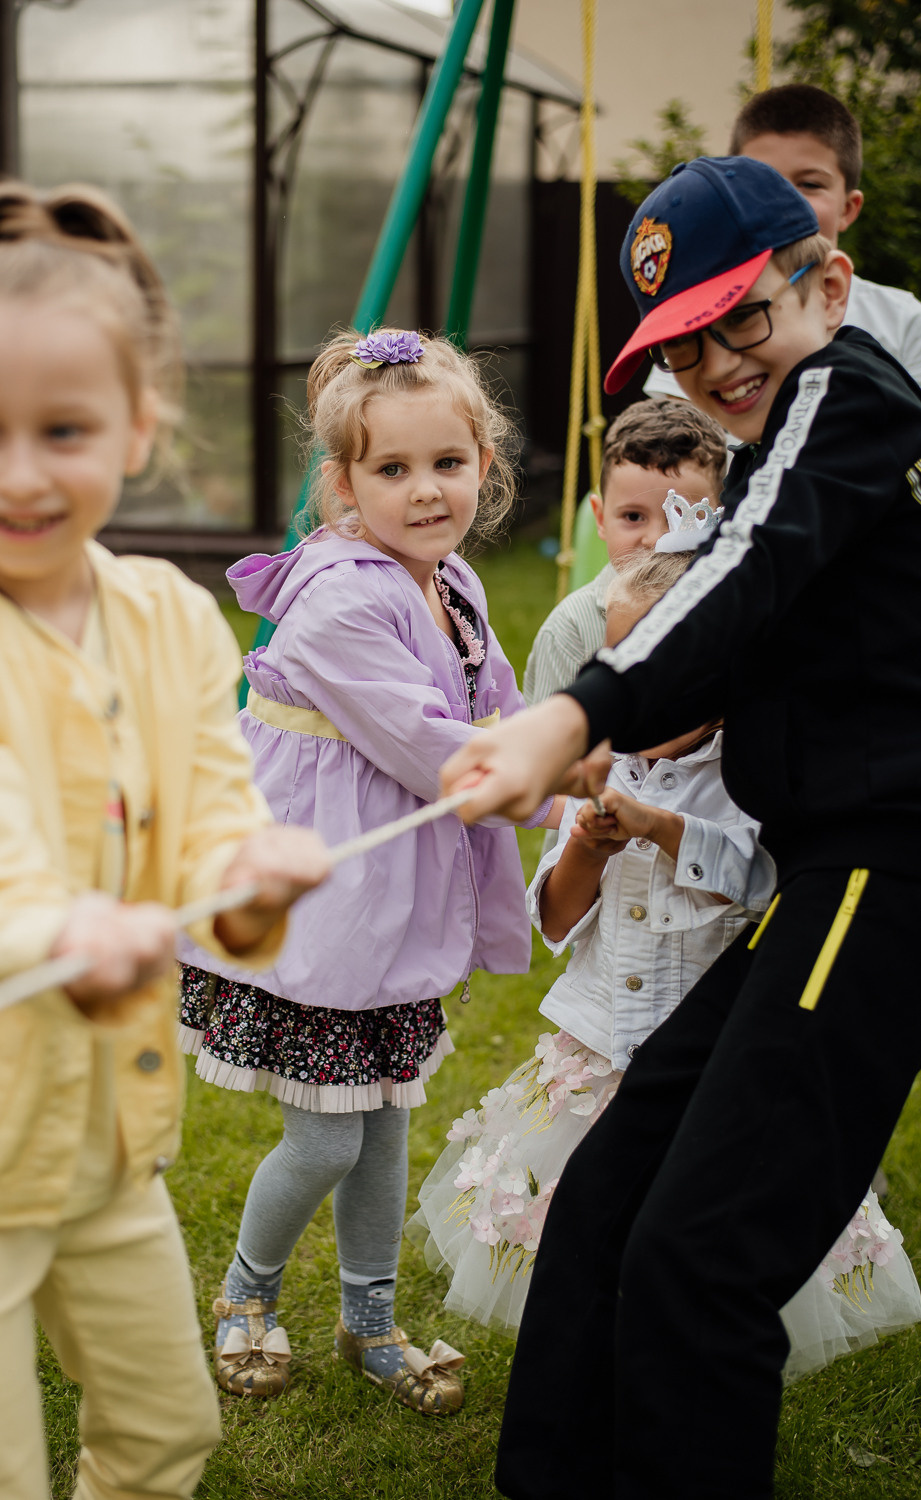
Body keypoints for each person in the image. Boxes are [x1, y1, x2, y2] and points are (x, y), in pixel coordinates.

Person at [439, 155, 921, 1497]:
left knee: (700, 1254)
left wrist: (572, 712)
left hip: (883, 880)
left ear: (825, 281)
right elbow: (717, 598)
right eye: (680, 343)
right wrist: (579, 730)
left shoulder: (849, 394)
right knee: (603, 1205)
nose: (712, 360)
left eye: (738, 320)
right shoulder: (782, 447)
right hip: (813, 883)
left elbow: (750, 577)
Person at [0, 182, 331, 1500]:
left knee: (165, 1437)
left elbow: (216, 807)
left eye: (66, 429)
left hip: (109, 1148)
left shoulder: (170, 616)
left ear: (141, 425)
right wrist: (56, 933)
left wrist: (247, 880)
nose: (21, 471)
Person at [415, 549, 918, 1373]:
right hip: (602, 1046)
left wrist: (661, 828)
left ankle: (670, 1360)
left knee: (696, 1225)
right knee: (585, 1219)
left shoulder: (757, 775)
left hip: (708, 1059)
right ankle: (589, 1357)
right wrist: (586, 844)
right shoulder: (598, 768)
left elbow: (764, 881)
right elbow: (553, 913)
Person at [178, 327, 553, 1416]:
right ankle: (245, 1297)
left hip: (387, 907)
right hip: (319, 905)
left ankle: (370, 1317)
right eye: (390, 470)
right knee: (329, 1131)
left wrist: (569, 763)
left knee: (385, 1114)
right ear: (342, 486)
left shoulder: (451, 581)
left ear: (484, 466)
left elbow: (500, 711)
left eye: (445, 463)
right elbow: (433, 745)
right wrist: (534, 776)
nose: (423, 491)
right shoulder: (346, 598)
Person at [646, 83, 921, 401]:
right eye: (762, 181)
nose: (783, 200)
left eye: (809, 184)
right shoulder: (699, 311)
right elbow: (674, 431)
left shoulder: (903, 322)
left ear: (848, 208)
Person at [522, 398, 727, 708]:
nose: (657, 540)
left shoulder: (732, 609)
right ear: (601, 518)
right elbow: (550, 745)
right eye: (633, 517)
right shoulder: (572, 630)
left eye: (681, 517)